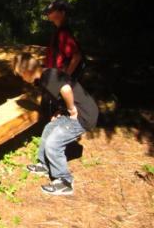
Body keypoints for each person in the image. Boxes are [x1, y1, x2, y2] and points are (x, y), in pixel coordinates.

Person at [13, 53, 98, 195]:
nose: (22, 78)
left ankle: (64, 181)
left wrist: (71, 109)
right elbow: (60, 93)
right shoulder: (44, 77)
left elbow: (66, 89)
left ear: (27, 71)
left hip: (84, 116)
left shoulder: (49, 77)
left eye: (21, 75)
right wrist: (60, 110)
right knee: (49, 128)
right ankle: (44, 164)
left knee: (53, 143)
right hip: (75, 112)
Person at [44, 0, 84, 80]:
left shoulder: (64, 33)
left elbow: (77, 56)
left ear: (62, 13)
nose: (49, 12)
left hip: (59, 80)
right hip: (54, 77)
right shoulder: (58, 31)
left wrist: (65, 78)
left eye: (53, 10)